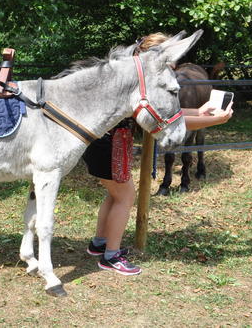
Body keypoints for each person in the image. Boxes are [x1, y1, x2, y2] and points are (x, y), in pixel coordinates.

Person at [83, 33, 234, 276]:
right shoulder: (138, 83)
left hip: (103, 144)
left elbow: (167, 112)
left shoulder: (128, 77)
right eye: (169, 61)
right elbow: (163, 120)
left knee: (114, 195)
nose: (173, 67)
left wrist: (199, 111)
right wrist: (214, 120)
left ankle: (99, 243)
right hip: (110, 145)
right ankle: (111, 256)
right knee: (125, 197)